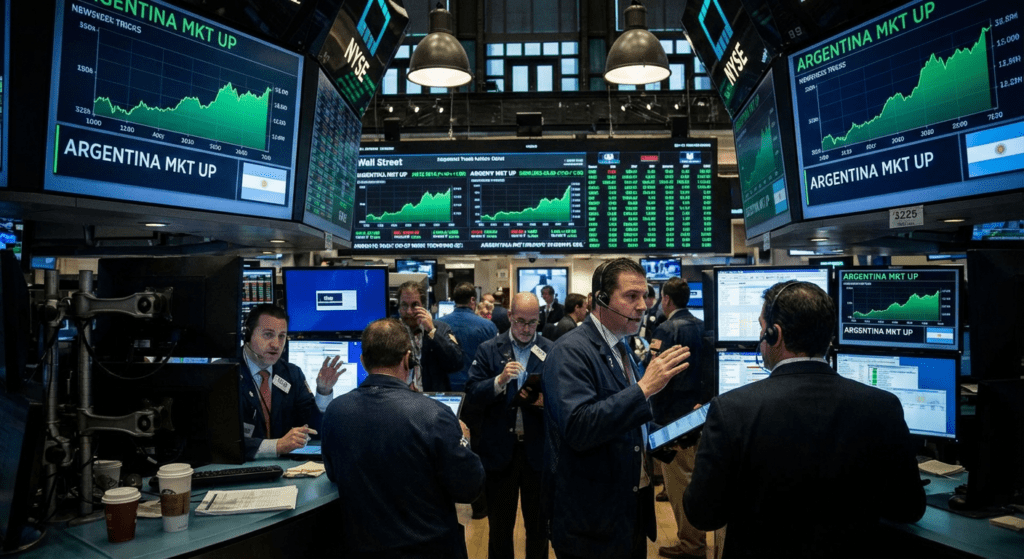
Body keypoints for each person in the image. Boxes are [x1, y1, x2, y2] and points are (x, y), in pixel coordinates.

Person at [683, 281, 926, 558]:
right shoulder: (884, 406)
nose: (761, 336)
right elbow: (909, 508)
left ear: (776, 334)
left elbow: (702, 515)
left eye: (762, 327)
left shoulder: (732, 409)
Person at [543, 258, 691, 559]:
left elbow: (627, 422)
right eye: (631, 296)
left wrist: (667, 437)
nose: (643, 306)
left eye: (645, 295)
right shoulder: (571, 351)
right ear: (601, 300)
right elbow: (579, 427)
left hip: (627, 512)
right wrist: (645, 388)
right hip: (592, 522)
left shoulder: (621, 346)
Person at [321, 318, 485, 558]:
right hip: (431, 549)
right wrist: (464, 440)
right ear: (408, 359)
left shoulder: (335, 412)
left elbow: (333, 474)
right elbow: (470, 488)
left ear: (363, 361)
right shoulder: (435, 414)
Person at [465, 292, 552, 559]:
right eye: (521, 322)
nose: (526, 329)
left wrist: (546, 400)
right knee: (500, 529)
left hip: (537, 453)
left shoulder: (551, 349)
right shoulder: (489, 348)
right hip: (500, 452)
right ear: (510, 317)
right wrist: (499, 382)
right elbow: (472, 393)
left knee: (538, 529)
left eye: (533, 323)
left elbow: (565, 397)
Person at [644, 278, 707, 559]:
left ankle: (691, 544)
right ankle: (694, 539)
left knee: (679, 482)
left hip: (671, 418)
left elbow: (656, 377)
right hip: (698, 413)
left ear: (665, 299)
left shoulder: (666, 329)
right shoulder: (702, 325)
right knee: (692, 475)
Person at [237, 304, 345, 461]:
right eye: (268, 335)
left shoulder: (291, 374)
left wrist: (323, 392)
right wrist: (277, 446)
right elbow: (220, 439)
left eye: (281, 336)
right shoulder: (225, 374)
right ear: (247, 335)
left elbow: (314, 429)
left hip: (284, 470)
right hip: (237, 469)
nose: (276, 344)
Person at [396, 280, 464, 392]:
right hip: (401, 399)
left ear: (424, 306)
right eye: (404, 305)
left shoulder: (441, 328)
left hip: (432, 398)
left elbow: (456, 363)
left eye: (415, 305)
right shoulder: (391, 332)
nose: (409, 311)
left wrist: (431, 331)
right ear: (399, 307)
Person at [438, 282, 499, 392]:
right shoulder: (489, 326)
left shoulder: (438, 324)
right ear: (472, 300)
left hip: (446, 388)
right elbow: (493, 361)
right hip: (477, 388)